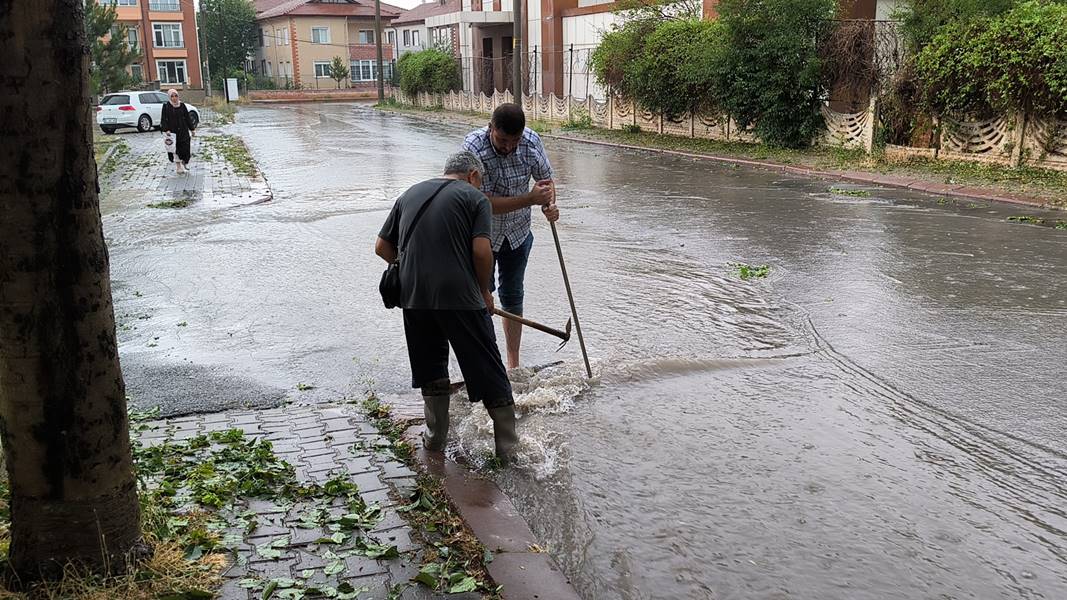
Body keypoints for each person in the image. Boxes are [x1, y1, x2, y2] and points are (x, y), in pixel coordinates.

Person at [375, 151, 519, 461]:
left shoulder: (409, 193)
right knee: (489, 368)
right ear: (473, 176)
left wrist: (414, 269)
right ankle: (508, 452)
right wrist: (484, 290)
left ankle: (434, 441)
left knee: (431, 369)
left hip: (414, 299)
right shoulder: (474, 198)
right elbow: (481, 251)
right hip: (461, 298)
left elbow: (382, 247)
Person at [462, 103, 559, 369]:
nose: (508, 147)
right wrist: (529, 199)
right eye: (503, 140)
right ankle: (486, 364)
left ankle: (512, 364)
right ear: (491, 128)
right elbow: (479, 201)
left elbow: (546, 182)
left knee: (513, 296)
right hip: (482, 236)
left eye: (514, 141)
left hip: (517, 234)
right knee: (480, 298)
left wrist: (550, 204)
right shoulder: (473, 147)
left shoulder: (531, 141)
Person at [161, 88, 196, 175]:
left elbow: (187, 118)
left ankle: (185, 161)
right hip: (173, 132)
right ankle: (178, 167)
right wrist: (166, 129)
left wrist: (192, 129)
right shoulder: (166, 106)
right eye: (172, 96)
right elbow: (164, 119)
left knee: (185, 148)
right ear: (169, 97)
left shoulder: (182, 105)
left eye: (176, 96)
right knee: (175, 149)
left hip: (183, 131)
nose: (174, 98)